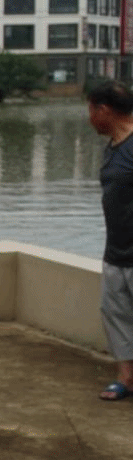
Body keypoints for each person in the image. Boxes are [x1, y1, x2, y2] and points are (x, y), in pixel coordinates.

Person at [86, 81, 133, 401]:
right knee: (115, 314)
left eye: (90, 110)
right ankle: (126, 378)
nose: (89, 119)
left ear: (103, 110)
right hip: (116, 250)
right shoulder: (113, 147)